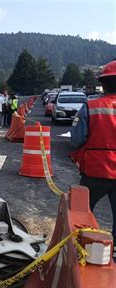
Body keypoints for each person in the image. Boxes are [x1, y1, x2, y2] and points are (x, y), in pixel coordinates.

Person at [70, 59, 116, 257]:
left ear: (103, 84)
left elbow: (77, 139)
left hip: (94, 171)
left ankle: (81, 250)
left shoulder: (91, 106)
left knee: (82, 214)